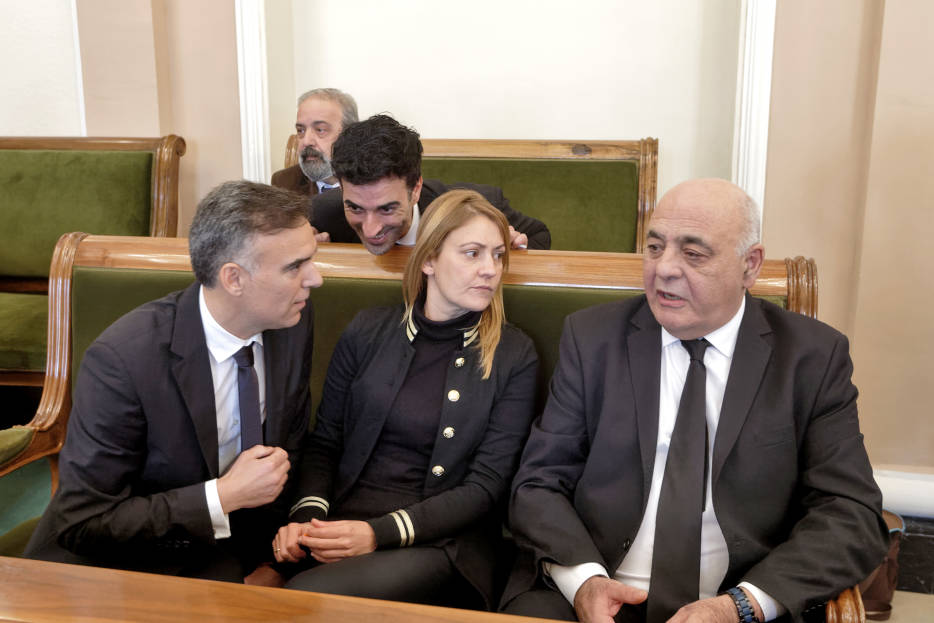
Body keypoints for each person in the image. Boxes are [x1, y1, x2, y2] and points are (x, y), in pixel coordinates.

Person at [501, 179, 888, 623]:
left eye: (693, 254)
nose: (664, 268)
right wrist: (585, 582)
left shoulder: (811, 357)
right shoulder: (592, 339)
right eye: (654, 247)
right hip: (595, 591)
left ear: (750, 265)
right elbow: (538, 484)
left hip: (736, 602)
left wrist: (741, 606)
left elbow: (851, 513)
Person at [25, 181, 323, 582]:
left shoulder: (291, 321)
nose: (315, 279)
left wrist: (272, 559)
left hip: (228, 549)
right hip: (121, 564)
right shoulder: (124, 361)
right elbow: (85, 521)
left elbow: (291, 443)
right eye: (294, 267)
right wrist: (222, 497)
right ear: (234, 278)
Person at [272, 189, 539, 609]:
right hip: (341, 524)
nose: (490, 269)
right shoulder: (367, 330)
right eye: (472, 254)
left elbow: (486, 486)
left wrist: (376, 534)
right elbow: (325, 443)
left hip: (439, 543)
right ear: (429, 260)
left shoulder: (514, 354)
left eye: (498, 255)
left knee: (302, 601)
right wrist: (306, 520)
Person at [310, 114, 551, 254]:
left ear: (415, 189)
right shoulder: (320, 213)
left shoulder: (479, 207)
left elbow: (539, 235)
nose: (371, 230)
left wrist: (512, 249)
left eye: (387, 209)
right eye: (355, 208)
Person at [271, 88, 358, 197]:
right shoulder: (284, 183)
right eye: (300, 130)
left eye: (320, 130)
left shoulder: (373, 183)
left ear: (350, 134)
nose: (306, 141)